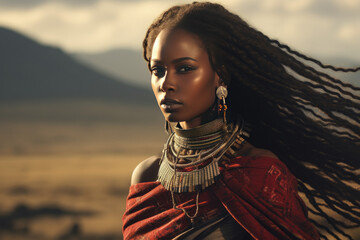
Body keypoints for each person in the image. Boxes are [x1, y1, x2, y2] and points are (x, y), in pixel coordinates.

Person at [122, 2, 360, 240]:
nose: (166, 84)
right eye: (158, 70)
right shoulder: (147, 177)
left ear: (220, 76)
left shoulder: (259, 172)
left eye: (184, 68)